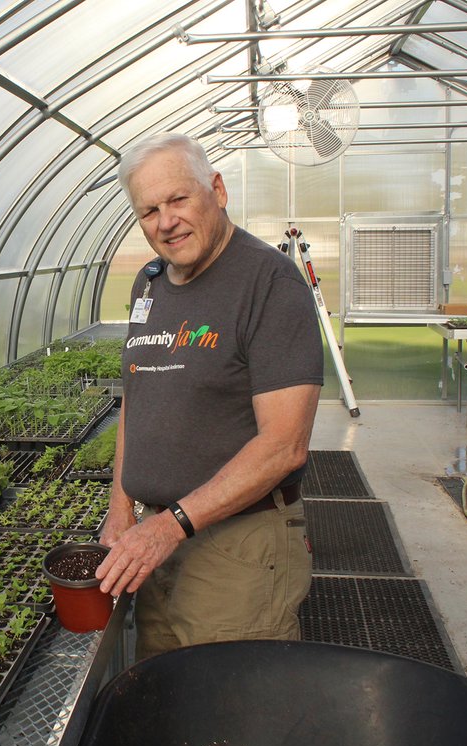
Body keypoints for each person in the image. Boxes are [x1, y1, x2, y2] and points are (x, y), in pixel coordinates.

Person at [95, 132, 323, 661]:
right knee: (166, 703)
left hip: (237, 550)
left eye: (178, 200)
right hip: (158, 541)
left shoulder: (268, 282)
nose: (166, 221)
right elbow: (139, 397)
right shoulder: (148, 285)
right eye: (149, 210)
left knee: (229, 713)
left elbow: (285, 445)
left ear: (216, 190)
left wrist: (172, 525)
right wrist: (121, 505)